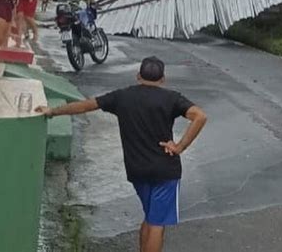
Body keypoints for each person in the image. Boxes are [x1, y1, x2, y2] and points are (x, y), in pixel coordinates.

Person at [36, 56, 207, 252]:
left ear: (138, 76)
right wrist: (180, 146)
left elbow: (85, 105)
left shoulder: (122, 97)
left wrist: (52, 111)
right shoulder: (172, 98)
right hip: (164, 170)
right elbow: (200, 116)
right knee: (157, 224)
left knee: (150, 217)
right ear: (162, 79)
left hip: (136, 170)